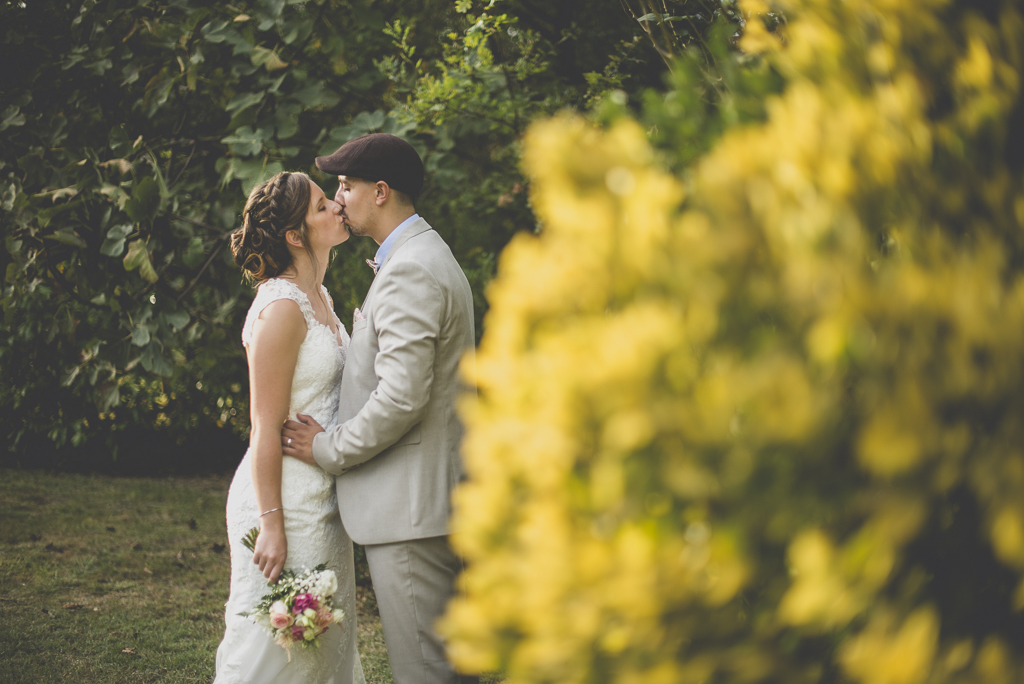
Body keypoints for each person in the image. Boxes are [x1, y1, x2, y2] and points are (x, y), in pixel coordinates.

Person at [281, 133, 476, 684]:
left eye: (345, 186)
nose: (338, 199)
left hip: (413, 510)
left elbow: (401, 398)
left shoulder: (412, 268)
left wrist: (326, 448)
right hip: (423, 504)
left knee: (427, 671)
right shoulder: (416, 257)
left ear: (382, 192)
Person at [214, 171, 365, 684]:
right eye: (323, 205)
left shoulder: (320, 298)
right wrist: (272, 524)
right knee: (277, 652)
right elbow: (263, 426)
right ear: (295, 236)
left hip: (323, 498)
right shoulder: (282, 306)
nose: (338, 208)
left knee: (323, 650)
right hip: (285, 505)